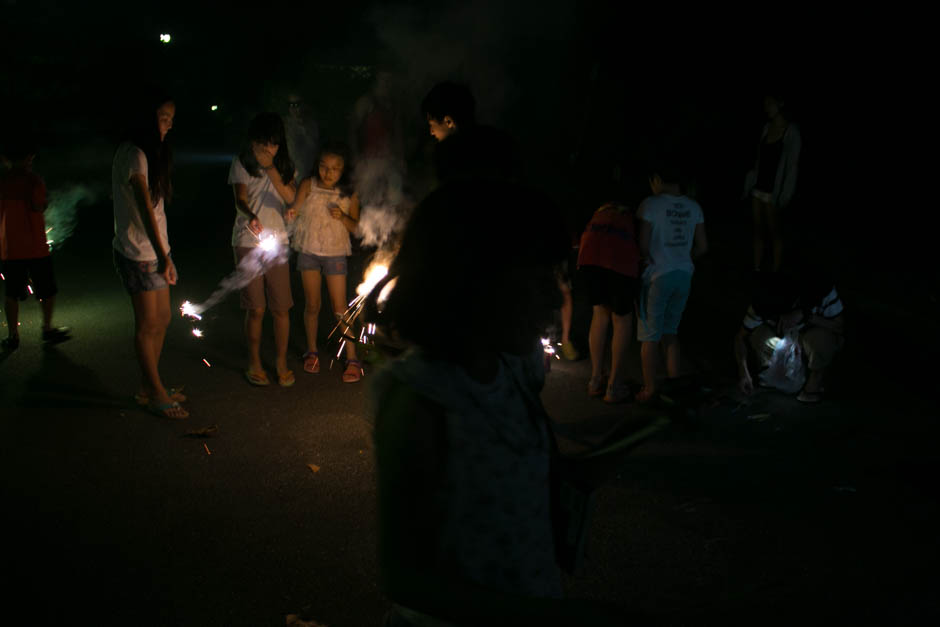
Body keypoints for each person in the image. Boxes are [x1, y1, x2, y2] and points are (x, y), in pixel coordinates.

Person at [371, 180, 627, 627]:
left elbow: (498, 470)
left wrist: (582, 466)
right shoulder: (420, 399)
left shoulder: (512, 368)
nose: (554, 299)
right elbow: (407, 579)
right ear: (474, 283)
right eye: (538, 280)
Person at [111, 94, 186, 418]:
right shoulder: (133, 154)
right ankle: (154, 392)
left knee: (163, 319)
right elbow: (143, 208)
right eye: (163, 117)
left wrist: (164, 254)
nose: (169, 124)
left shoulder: (147, 154)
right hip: (138, 252)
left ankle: (149, 385)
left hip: (154, 250)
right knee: (147, 324)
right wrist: (163, 255)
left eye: (171, 118)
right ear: (146, 118)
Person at [229, 113, 297, 387]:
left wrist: (272, 168)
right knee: (256, 308)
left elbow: (292, 197)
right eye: (264, 144)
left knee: (281, 307)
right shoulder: (241, 163)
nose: (269, 150)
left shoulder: (284, 166)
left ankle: (281, 362)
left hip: (278, 243)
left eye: (274, 144)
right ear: (253, 142)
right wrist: (251, 215)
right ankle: (254, 362)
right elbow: (240, 200)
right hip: (247, 242)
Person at [287, 141, 363, 383]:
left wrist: (343, 218)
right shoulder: (309, 184)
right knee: (312, 304)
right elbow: (296, 208)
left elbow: (357, 228)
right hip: (308, 249)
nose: (328, 173)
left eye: (334, 168)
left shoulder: (349, 192)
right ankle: (312, 351)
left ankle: (352, 357)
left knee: (340, 307)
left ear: (343, 170)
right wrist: (292, 212)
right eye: (323, 166)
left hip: (335, 252)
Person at [635, 163, 707, 403]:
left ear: (657, 178)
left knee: (650, 336)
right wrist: (683, 258)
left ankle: (649, 388)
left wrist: (649, 260)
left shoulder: (650, 205)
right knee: (671, 332)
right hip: (684, 274)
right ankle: (675, 382)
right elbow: (703, 246)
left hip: (657, 276)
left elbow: (643, 245)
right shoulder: (694, 207)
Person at [0, 136, 71, 351]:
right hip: (36, 247)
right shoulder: (34, 181)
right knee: (46, 290)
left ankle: (13, 335)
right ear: (28, 158)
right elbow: (39, 206)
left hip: (10, 249)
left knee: (11, 293)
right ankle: (47, 329)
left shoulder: (2, 182)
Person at [734, 272, 844, 403]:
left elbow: (839, 327)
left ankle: (815, 380)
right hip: (783, 344)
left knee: (821, 340)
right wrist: (743, 372)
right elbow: (740, 338)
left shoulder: (821, 290)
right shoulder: (763, 303)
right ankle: (773, 374)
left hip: (808, 343)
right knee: (758, 334)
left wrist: (808, 316)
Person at [577, 201, 640, 403]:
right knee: (621, 319)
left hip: (589, 258)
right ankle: (614, 386)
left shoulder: (601, 211)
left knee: (600, 313)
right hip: (618, 259)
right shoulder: (633, 216)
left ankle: (595, 380)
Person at [421, 81, 521, 183]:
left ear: (449, 122)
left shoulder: (448, 157)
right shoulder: (502, 142)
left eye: (431, 125)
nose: (431, 132)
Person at [743, 94, 801, 272]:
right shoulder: (767, 128)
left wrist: (784, 194)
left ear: (780, 104)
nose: (767, 107)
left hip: (773, 191)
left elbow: (792, 166)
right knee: (758, 230)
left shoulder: (791, 131)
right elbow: (760, 159)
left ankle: (776, 271)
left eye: (770, 103)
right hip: (758, 188)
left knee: (775, 232)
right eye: (765, 103)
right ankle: (757, 269)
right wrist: (751, 180)